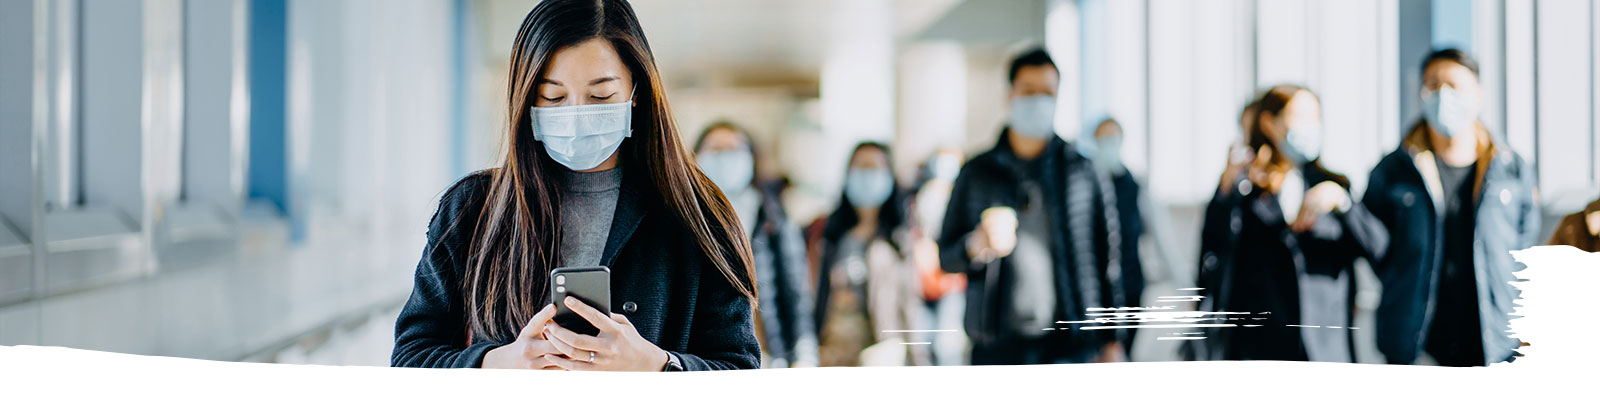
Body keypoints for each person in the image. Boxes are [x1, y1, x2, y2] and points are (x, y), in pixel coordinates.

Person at [390, 0, 760, 371]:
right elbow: (411, 357)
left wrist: (658, 367)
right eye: (553, 97)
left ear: (636, 93)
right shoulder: (472, 209)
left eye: (601, 96)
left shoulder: (699, 212)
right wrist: (498, 363)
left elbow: (740, 368)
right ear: (527, 101)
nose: (576, 113)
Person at [937, 48, 1128, 365]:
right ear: (1009, 95)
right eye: (1028, 91)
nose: (1038, 101)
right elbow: (946, 256)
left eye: (1047, 93)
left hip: (1071, 345)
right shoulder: (977, 172)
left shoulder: (1083, 171)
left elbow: (1108, 261)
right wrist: (974, 245)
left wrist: (1112, 339)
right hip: (996, 346)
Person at [1363, 48, 1539, 367]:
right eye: (1432, 84)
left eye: (1454, 85)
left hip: (1494, 342)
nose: (1443, 95)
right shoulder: (1393, 170)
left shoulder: (1511, 169)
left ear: (1478, 94)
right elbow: (1375, 244)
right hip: (1416, 343)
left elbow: (1524, 243)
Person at [1197, 85, 1389, 362]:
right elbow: (1213, 253)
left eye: (1316, 117)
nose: (1310, 126)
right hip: (1260, 352)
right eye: (1300, 116)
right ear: (1269, 123)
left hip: (1327, 352)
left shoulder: (1335, 186)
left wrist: (1344, 205)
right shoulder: (1245, 192)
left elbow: (1380, 251)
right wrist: (1225, 190)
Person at [694, 121, 819, 368]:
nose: (724, 159)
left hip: (767, 351)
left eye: (733, 150)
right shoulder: (685, 217)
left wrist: (804, 354)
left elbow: (795, 293)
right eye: (715, 150)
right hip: (703, 357)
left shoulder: (772, 218)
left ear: (751, 157)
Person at [814, 142, 927, 367]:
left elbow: (911, 309)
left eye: (875, 168)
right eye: (860, 167)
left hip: (879, 357)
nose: (867, 176)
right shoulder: (828, 236)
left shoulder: (899, 241)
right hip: (830, 355)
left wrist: (920, 364)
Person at [1077, 118, 1148, 360]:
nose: (1110, 144)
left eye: (1114, 138)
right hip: (1094, 293)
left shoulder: (1134, 185)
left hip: (1130, 286)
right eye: (1104, 138)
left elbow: (1163, 240)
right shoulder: (1082, 184)